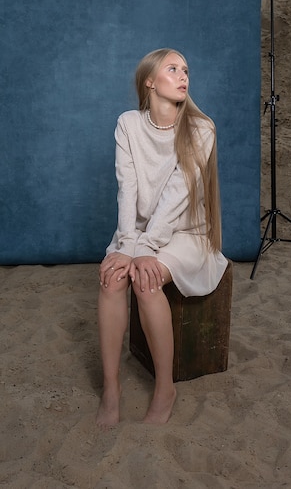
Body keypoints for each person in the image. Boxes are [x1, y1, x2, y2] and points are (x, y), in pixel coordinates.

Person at [96, 48, 227, 428]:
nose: (183, 75)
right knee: (112, 279)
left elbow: (176, 195)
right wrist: (126, 247)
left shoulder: (202, 128)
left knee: (146, 280)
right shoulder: (128, 125)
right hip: (137, 232)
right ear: (150, 80)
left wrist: (145, 251)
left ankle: (164, 388)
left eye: (186, 69)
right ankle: (110, 388)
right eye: (173, 68)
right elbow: (127, 189)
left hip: (187, 234)